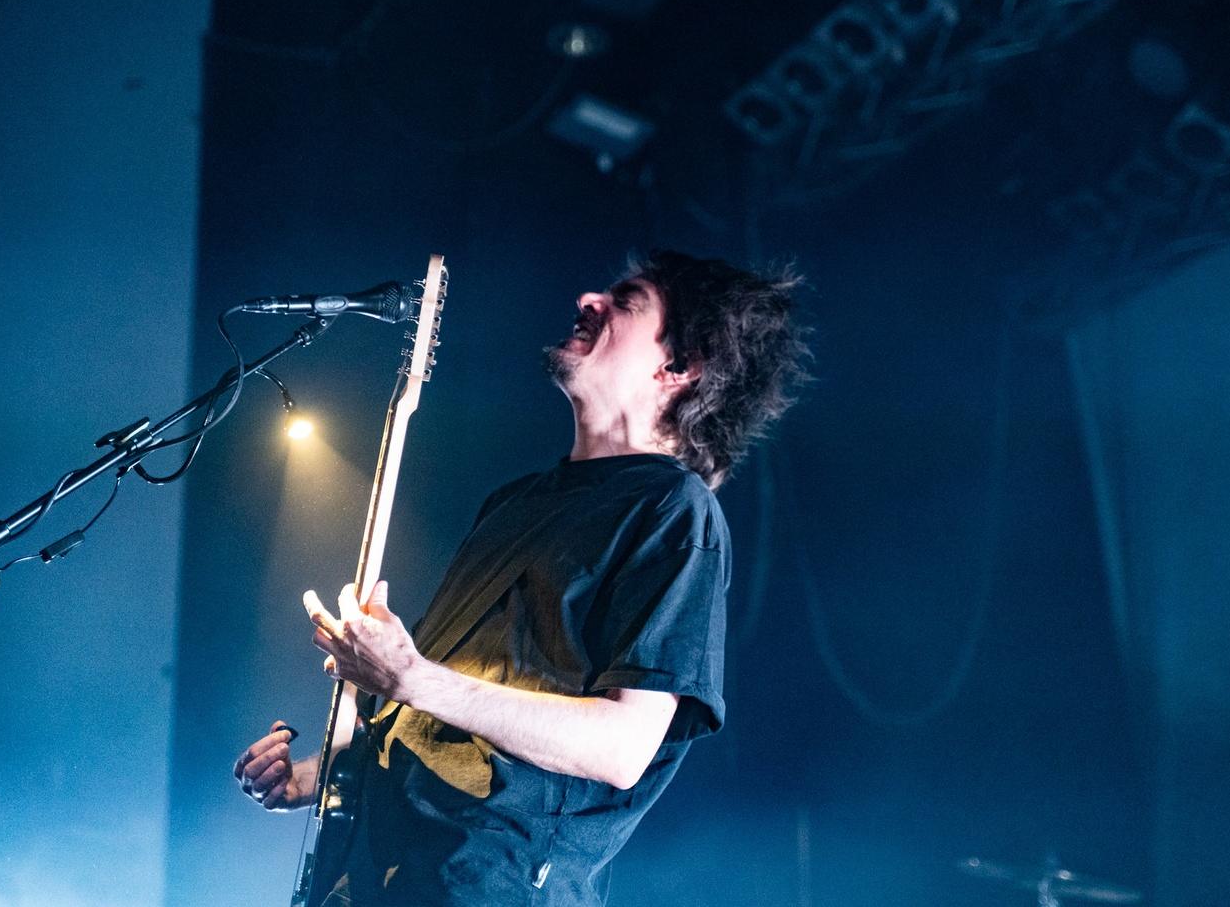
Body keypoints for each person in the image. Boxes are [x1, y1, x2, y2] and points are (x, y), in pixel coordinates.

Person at [233, 250, 810, 905]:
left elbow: (623, 747)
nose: (589, 299)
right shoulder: (514, 504)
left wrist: (414, 677)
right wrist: (318, 775)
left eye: (626, 302)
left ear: (679, 366)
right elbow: (431, 721)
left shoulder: (674, 512)